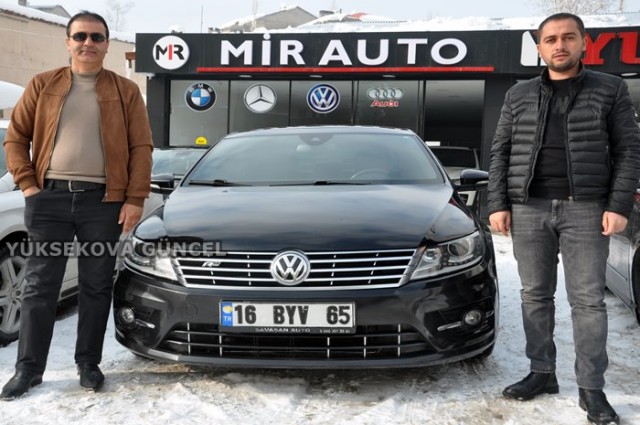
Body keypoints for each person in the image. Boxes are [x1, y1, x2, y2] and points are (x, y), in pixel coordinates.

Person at [488, 12, 640, 425]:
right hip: (529, 207)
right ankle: (542, 373)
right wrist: (497, 203)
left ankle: (592, 390)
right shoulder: (518, 94)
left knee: (588, 302)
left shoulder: (610, 89)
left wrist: (618, 206)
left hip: (587, 208)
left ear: (583, 43)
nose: (560, 45)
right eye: (550, 39)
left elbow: (629, 150)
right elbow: (500, 151)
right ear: (539, 47)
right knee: (534, 296)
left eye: (568, 37)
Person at [1, 11, 153, 400]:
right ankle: (28, 369)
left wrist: (134, 198)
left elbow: (141, 147)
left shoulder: (125, 91)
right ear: (68, 42)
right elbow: (15, 138)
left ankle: (88, 363)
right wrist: (29, 186)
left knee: (96, 285)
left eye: (97, 37)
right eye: (80, 36)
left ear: (106, 44)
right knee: (38, 287)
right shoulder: (43, 85)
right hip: (48, 198)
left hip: (102, 203)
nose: (89, 43)